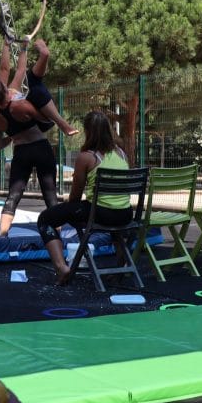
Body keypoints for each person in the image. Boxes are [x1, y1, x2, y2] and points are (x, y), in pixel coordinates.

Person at [36, 110, 134, 285]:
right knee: (116, 228)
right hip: (124, 214)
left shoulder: (87, 157)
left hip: (99, 213)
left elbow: (75, 197)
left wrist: (66, 207)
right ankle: (121, 267)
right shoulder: (121, 153)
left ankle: (61, 267)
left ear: (88, 131)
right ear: (108, 130)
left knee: (45, 219)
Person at [0, 78, 60, 239]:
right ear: (4, 90)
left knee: (13, 195)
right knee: (50, 195)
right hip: (41, 147)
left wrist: (14, 134)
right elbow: (47, 121)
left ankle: (2, 234)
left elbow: (0, 145)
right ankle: (58, 236)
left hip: (22, 152)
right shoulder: (21, 105)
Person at [0, 37, 78, 137]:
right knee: (34, 87)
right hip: (44, 121)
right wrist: (7, 45)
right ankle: (61, 122)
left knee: (31, 81)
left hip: (35, 128)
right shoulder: (15, 106)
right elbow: (4, 69)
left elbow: (20, 70)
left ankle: (44, 56)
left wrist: (23, 48)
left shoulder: (4, 102)